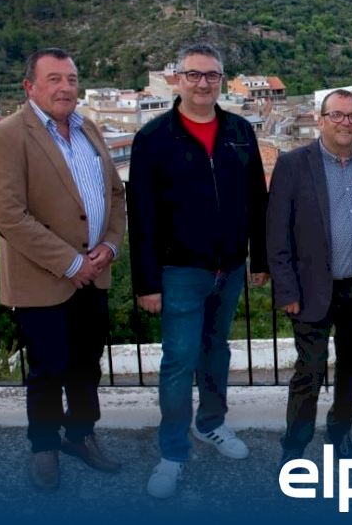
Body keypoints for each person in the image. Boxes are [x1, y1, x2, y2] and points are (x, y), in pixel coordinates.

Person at [0, 47, 127, 491]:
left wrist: (110, 245)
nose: (66, 88)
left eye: (72, 79)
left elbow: (115, 195)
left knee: (87, 365)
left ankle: (81, 435)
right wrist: (70, 263)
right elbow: (7, 214)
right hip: (41, 281)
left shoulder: (89, 128)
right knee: (47, 368)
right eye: (54, 79)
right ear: (30, 87)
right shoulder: (6, 136)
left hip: (94, 274)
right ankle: (44, 446)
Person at [128, 44, 269, 498]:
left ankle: (210, 423)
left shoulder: (239, 132)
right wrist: (147, 283)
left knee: (216, 352)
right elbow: (141, 216)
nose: (203, 83)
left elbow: (257, 199)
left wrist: (260, 259)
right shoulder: (154, 138)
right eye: (194, 74)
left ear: (221, 80)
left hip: (230, 267)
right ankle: (172, 452)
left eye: (211, 75)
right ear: (178, 79)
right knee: (178, 360)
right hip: (179, 270)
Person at [267, 89, 352, 465]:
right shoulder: (294, 164)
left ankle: (339, 434)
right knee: (309, 371)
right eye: (336, 115)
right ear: (320, 120)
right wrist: (286, 289)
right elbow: (277, 232)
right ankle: (294, 447)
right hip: (310, 289)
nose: (345, 123)